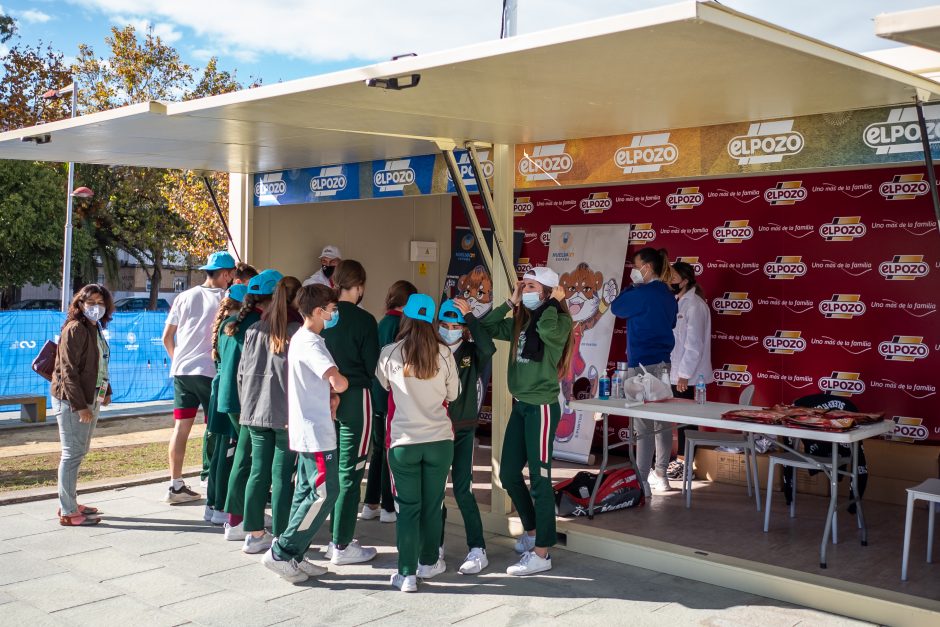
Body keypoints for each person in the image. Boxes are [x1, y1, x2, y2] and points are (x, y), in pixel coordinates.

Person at [481, 267, 573, 576]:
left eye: (532, 286)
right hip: (522, 407)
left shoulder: (557, 321)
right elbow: (487, 327)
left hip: (542, 409)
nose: (526, 289)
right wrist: (511, 302)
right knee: (507, 473)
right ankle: (532, 531)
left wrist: (551, 304)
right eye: (525, 285)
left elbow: (548, 333)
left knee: (540, 480)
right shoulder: (522, 319)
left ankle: (542, 553)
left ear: (547, 291)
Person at [262, 284, 347, 583]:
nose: (334, 313)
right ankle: (283, 551)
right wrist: (340, 385)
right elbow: (336, 381)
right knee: (326, 492)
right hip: (316, 432)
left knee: (305, 493)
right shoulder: (310, 342)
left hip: (310, 427)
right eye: (332, 309)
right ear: (317, 311)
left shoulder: (303, 338)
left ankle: (295, 553)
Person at [376, 294, 460, 592]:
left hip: (402, 443)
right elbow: (453, 395)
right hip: (439, 441)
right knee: (432, 506)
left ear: (406, 318)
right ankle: (429, 562)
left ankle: (407, 574)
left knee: (407, 509)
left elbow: (384, 385)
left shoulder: (389, 352)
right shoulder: (446, 353)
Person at [162, 250, 236, 504]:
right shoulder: (227, 298)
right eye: (231, 275)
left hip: (182, 371)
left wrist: (178, 361)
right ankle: (216, 482)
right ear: (225, 274)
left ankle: (175, 485)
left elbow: (166, 338)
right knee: (218, 429)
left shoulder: (184, 296)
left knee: (181, 428)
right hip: (208, 371)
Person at [320, 259, 380, 564]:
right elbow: (373, 367)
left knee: (327, 471)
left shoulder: (324, 316)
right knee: (351, 473)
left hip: (323, 398)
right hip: (356, 398)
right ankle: (341, 544)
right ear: (359, 287)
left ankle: (330, 538)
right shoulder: (366, 320)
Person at [239, 276, 303, 554]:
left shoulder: (253, 329)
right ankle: (281, 535)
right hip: (284, 413)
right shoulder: (297, 331)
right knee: (281, 476)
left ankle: (253, 534)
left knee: (258, 471)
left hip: (254, 410)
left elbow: (242, 372)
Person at [611, 247, 678, 495]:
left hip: (640, 367)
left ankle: (641, 481)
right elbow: (670, 322)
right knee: (661, 424)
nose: (634, 271)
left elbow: (617, 307)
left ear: (647, 267)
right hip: (663, 365)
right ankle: (661, 475)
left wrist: (633, 288)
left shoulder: (643, 293)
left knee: (643, 427)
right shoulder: (668, 294)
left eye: (636, 266)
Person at [220, 269, 281, 541]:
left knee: (243, 458)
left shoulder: (237, 321)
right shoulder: (260, 324)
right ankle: (238, 521)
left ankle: (236, 518)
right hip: (248, 400)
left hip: (235, 397)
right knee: (247, 461)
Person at [437, 298, 495, 575]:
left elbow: (489, 347)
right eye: (444, 325)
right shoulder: (430, 349)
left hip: (463, 429)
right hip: (435, 430)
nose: (449, 330)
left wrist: (470, 316)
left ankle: (477, 548)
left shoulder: (473, 350)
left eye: (455, 326)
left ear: (463, 329)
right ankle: (435, 547)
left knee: (462, 489)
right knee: (435, 492)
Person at [51, 284, 115, 526]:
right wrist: (80, 407)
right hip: (72, 401)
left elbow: (99, 363)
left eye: (101, 303)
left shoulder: (93, 327)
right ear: (80, 304)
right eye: (91, 303)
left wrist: (105, 391)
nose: (96, 307)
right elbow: (67, 371)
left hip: (90, 397)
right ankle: (68, 511)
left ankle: (69, 501)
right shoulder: (76, 328)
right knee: (71, 454)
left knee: (78, 452)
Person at [362, 279, 417, 523]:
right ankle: (387, 506)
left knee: (377, 452)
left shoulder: (381, 322)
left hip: (375, 395)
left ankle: (370, 503)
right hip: (391, 398)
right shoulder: (401, 326)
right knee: (388, 452)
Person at [204, 283, 249, 525]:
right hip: (229, 394)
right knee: (228, 454)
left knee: (221, 452)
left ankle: (213, 503)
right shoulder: (234, 325)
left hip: (220, 393)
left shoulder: (224, 323)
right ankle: (223, 505)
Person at [666, 262, 713, 480]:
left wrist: (684, 374)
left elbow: (694, 345)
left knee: (686, 420)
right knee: (680, 418)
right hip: (675, 370)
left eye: (673, 277)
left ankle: (686, 464)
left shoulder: (694, 305)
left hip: (687, 374)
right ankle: (679, 461)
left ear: (685, 281)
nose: (670, 281)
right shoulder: (678, 302)